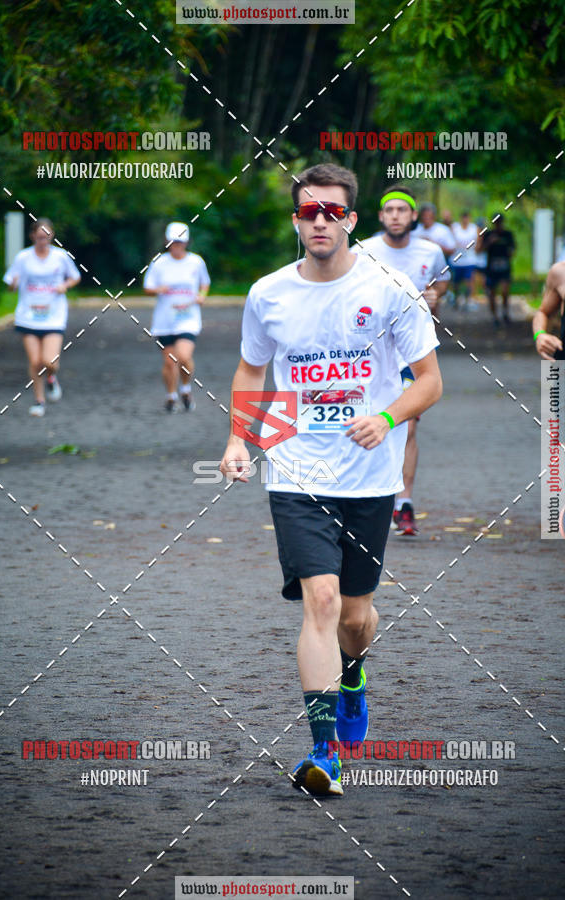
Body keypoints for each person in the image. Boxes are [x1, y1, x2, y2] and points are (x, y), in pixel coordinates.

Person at [219, 164, 442, 796]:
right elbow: (250, 370)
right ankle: (323, 753)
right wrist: (239, 438)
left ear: (350, 219)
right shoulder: (268, 293)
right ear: (297, 220)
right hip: (295, 469)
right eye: (309, 211)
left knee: (355, 615)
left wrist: (388, 415)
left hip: (370, 478)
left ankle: (354, 677)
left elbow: (430, 381)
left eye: (333, 212)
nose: (321, 220)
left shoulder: (391, 289)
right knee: (319, 601)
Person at [356, 186, 449, 536]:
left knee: (406, 424)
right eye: (389, 210)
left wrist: (434, 296)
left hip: (410, 352)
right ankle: (366, 495)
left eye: (402, 210)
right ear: (381, 216)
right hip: (369, 353)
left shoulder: (431, 252)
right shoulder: (363, 250)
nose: (395, 215)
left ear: (413, 216)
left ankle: (403, 503)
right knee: (363, 420)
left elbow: (442, 287)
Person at [3, 218, 81, 417]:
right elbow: (10, 284)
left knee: (50, 361)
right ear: (32, 237)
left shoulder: (60, 257)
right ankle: (39, 401)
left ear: (52, 236)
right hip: (28, 316)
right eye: (39, 238)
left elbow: (75, 276)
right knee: (35, 361)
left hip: (53, 316)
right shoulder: (23, 257)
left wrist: (65, 285)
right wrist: (14, 283)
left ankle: (51, 378)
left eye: (46, 238)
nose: (43, 242)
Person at [143, 223, 210, 412]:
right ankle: (171, 396)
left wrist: (201, 296)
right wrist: (158, 289)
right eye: (173, 242)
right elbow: (147, 287)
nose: (176, 245)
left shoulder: (196, 262)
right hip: (165, 320)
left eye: (180, 242)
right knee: (169, 361)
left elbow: (205, 283)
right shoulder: (159, 263)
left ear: (186, 242)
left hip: (188, 317)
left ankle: (186, 388)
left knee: (184, 356)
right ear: (167, 242)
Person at [479, 214, 516, 327]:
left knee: (505, 291)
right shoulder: (489, 234)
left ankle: (505, 312)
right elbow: (480, 249)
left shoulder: (508, 234)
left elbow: (513, 248)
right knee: (492, 293)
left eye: (500, 222)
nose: (498, 224)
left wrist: (510, 253)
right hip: (492, 267)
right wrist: (490, 242)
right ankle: (494, 316)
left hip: (504, 266)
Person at [532, 261, 565, 360]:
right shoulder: (559, 271)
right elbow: (543, 312)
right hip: (560, 361)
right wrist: (540, 335)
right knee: (550, 372)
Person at [450, 211, 479, 310]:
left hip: (470, 260)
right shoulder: (455, 228)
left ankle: (468, 299)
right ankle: (457, 299)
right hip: (457, 260)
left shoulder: (474, 228)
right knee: (456, 282)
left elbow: (478, 241)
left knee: (469, 281)